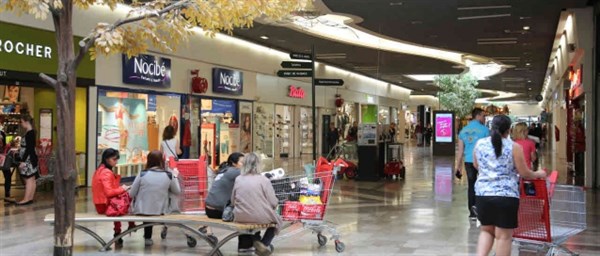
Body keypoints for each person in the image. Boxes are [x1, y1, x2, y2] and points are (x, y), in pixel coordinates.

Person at [473, 115, 546, 256]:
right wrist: (539, 174)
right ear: (509, 129)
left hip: (483, 195)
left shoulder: (480, 144)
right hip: (506, 197)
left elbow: (476, 165)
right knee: (503, 237)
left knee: (486, 231)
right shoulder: (513, 146)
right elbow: (524, 173)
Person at [231, 152, 281, 256]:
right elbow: (273, 202)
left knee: (250, 222)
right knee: (277, 221)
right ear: (258, 164)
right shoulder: (264, 180)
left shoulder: (238, 179)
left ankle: (254, 242)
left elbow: (233, 200)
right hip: (259, 216)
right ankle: (264, 243)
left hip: (240, 216)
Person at [129, 150, 181, 246]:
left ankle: (148, 237)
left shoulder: (142, 174)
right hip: (162, 210)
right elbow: (177, 191)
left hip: (142, 210)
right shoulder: (168, 175)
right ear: (162, 161)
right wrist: (175, 176)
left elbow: (131, 194)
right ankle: (164, 227)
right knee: (167, 192)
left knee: (148, 202)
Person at [204, 153, 247, 253]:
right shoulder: (235, 172)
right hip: (218, 210)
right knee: (246, 217)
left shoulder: (224, 170)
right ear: (234, 163)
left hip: (209, 208)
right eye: (242, 162)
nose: (244, 164)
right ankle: (245, 246)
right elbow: (253, 175)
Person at [92, 148, 134, 245]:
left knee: (121, 199)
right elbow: (109, 193)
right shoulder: (106, 172)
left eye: (116, 159)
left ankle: (119, 231)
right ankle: (127, 227)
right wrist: (123, 188)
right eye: (114, 159)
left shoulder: (100, 169)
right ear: (107, 159)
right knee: (127, 198)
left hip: (101, 203)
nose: (116, 161)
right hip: (104, 205)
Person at [455, 108, 489, 220]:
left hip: (468, 162)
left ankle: (472, 212)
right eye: (483, 116)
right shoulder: (485, 130)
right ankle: (482, 209)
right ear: (478, 116)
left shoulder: (463, 131)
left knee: (471, 185)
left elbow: (460, 152)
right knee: (484, 184)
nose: (484, 118)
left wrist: (458, 167)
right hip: (482, 161)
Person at [15, 115, 39, 205]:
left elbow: (29, 149)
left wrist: (23, 161)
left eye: (21, 122)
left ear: (26, 122)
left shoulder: (29, 133)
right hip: (31, 159)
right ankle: (30, 198)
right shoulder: (32, 132)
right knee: (32, 179)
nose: (21, 124)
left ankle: (26, 199)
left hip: (28, 160)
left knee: (28, 179)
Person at [2, 139, 18, 203]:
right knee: (8, 175)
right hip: (4, 161)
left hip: (4, 160)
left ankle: (7, 194)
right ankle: (7, 194)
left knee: (7, 175)